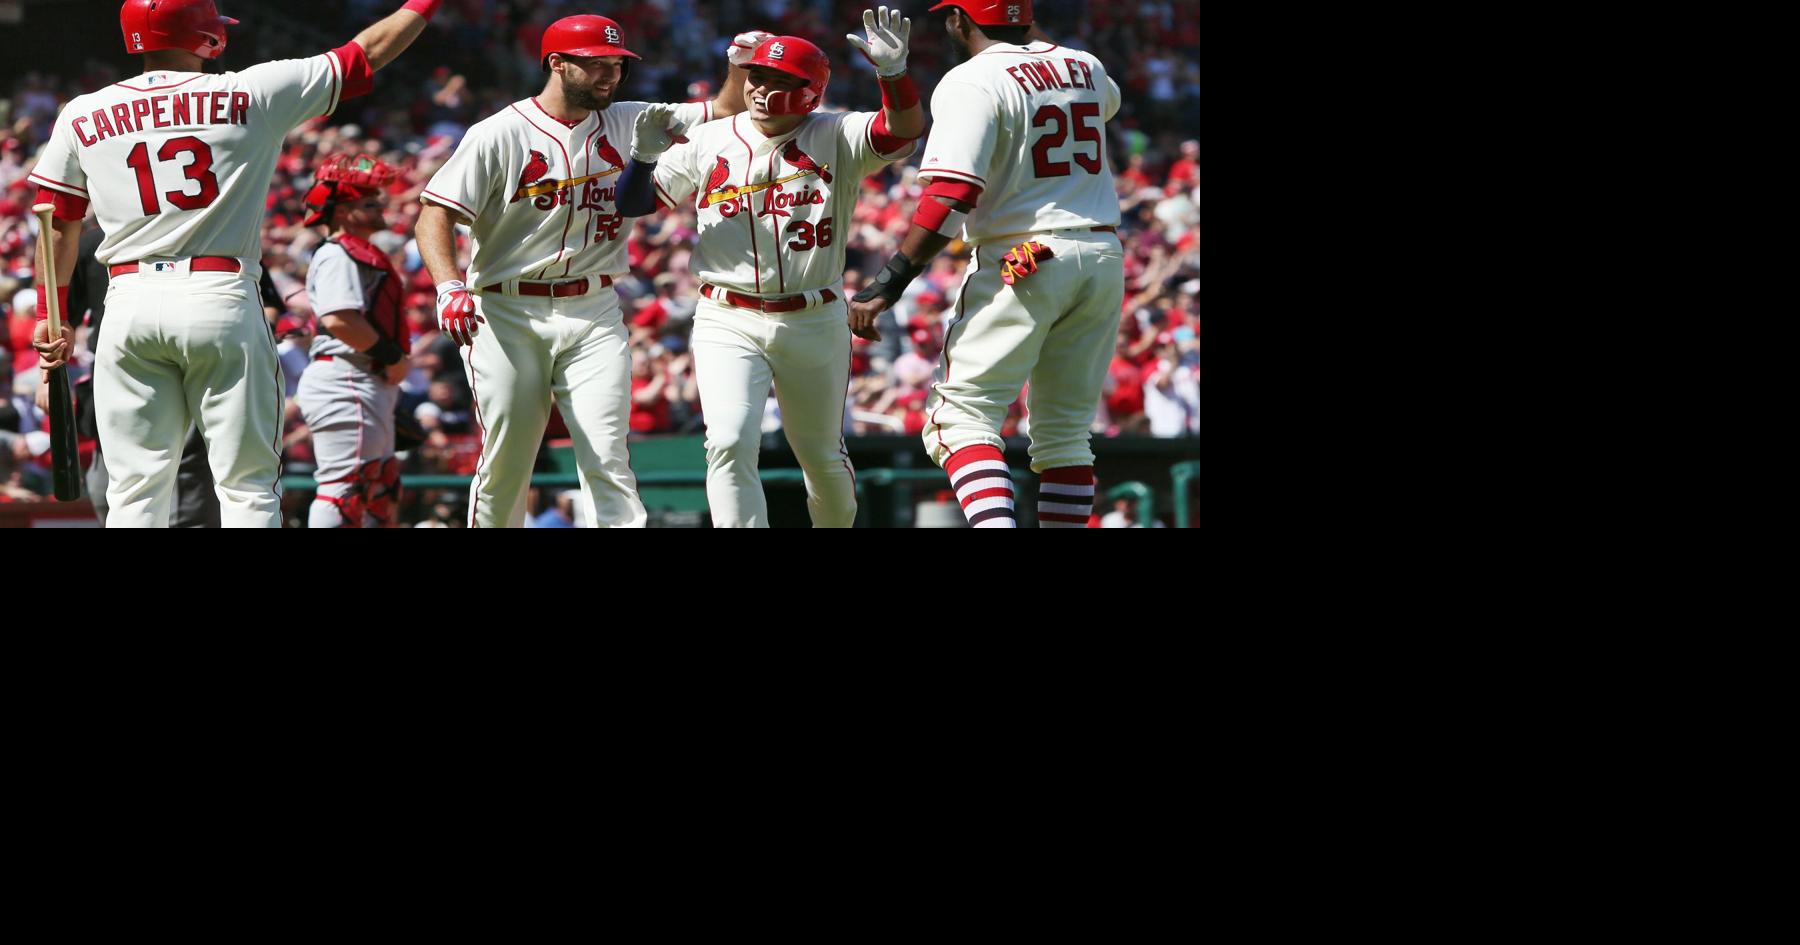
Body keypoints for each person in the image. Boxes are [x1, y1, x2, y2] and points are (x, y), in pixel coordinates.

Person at [28, 0, 436, 527]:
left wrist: (49, 315)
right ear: (207, 36)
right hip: (218, 293)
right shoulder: (249, 91)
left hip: (125, 300)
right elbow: (368, 53)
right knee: (245, 487)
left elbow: (57, 222)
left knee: (133, 492)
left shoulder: (82, 112)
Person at [416, 15, 760, 527]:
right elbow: (434, 213)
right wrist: (447, 285)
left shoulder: (632, 118)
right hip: (509, 308)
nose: (609, 75)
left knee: (607, 454)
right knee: (508, 459)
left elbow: (730, 108)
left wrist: (738, 65)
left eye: (617, 65)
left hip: (594, 306)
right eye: (595, 64)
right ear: (556, 63)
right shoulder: (500, 132)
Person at [616, 8, 924, 527]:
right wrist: (643, 159)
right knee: (729, 443)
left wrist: (893, 76)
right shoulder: (710, 138)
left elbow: (901, 133)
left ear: (810, 91)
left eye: (779, 80)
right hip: (726, 314)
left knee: (822, 455)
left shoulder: (837, 133)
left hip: (813, 314)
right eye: (756, 75)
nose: (760, 88)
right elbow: (633, 204)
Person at [848, 0, 1125, 528]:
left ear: (957, 20)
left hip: (1027, 253)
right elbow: (1101, 103)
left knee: (961, 420)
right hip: (1101, 252)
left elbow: (952, 193)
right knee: (1065, 431)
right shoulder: (1086, 64)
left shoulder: (969, 80)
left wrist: (889, 281)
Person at [295, 154, 412, 527]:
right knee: (344, 488)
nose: (380, 206)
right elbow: (339, 319)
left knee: (379, 486)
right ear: (344, 211)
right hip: (347, 376)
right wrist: (392, 357)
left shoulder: (354, 252)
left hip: (361, 378)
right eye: (369, 202)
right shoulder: (337, 253)